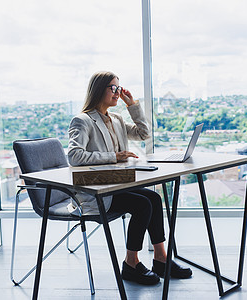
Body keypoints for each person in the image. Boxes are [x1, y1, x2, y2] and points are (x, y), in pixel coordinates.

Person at [68, 71, 192, 285]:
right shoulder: (83, 121)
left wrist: (132, 105)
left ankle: (161, 259)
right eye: (113, 88)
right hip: (94, 191)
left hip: (115, 185)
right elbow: (74, 156)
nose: (117, 92)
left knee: (153, 199)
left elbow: (144, 134)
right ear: (99, 90)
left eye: (119, 88)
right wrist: (114, 157)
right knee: (142, 204)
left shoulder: (115, 119)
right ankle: (131, 263)